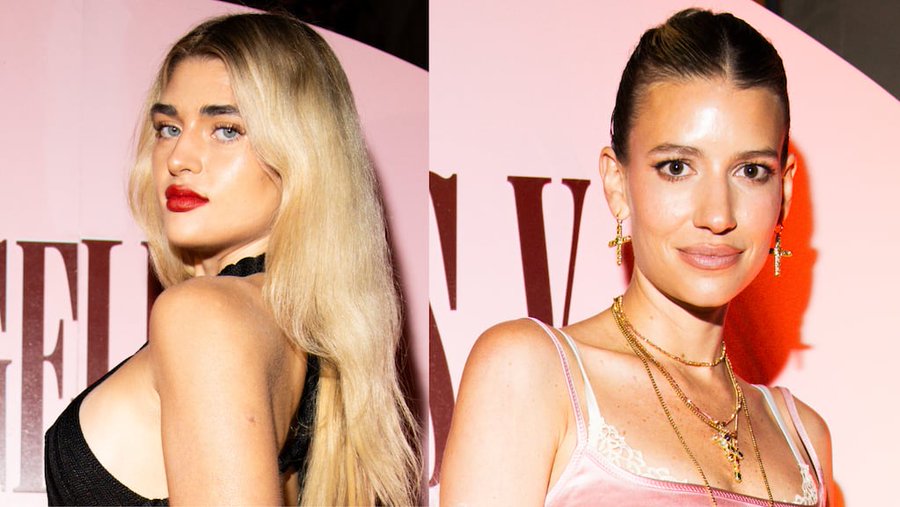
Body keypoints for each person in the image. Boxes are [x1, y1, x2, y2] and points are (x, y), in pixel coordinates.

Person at [441, 8, 832, 507]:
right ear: (617, 183)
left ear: (785, 191)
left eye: (751, 171)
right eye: (677, 167)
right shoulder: (530, 373)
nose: (717, 215)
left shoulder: (805, 440)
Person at [44, 13, 418, 506]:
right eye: (168, 127)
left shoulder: (204, 315)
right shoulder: (297, 336)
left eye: (225, 130)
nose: (179, 157)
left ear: (301, 152)